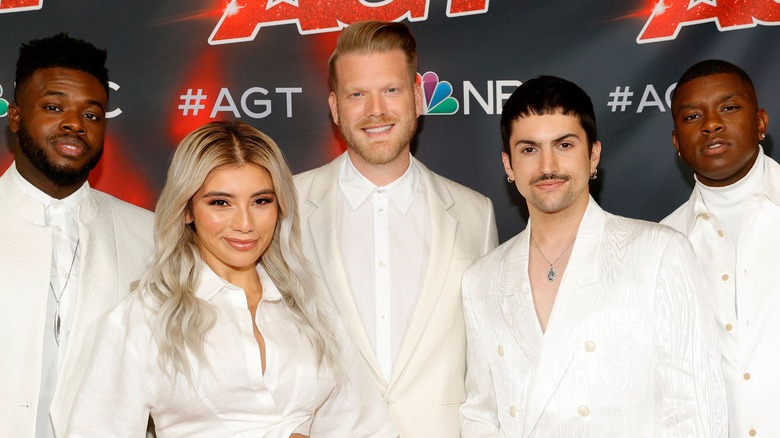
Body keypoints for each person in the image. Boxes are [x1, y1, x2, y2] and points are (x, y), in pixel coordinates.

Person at [67, 121, 396, 437]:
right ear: (187, 209)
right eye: (220, 202)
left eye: (261, 201)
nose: (244, 223)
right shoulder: (144, 318)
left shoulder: (312, 307)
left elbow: (364, 427)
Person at [460, 76, 727, 436]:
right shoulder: (482, 278)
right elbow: (481, 414)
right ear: (508, 165)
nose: (547, 165)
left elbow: (696, 410)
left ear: (593, 155)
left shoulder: (658, 251)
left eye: (564, 145)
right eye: (529, 149)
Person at [294, 20, 498, 437]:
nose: (376, 110)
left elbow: (490, 360)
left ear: (418, 97)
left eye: (391, 90)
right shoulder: (286, 206)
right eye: (357, 94)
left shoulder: (476, 213)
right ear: (334, 107)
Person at [0, 34, 154, 437]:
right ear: (15, 117)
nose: (74, 124)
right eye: (54, 107)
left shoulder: (150, 234)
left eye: (92, 115)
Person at [662, 59, 775, 438]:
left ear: (760, 122)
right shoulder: (663, 243)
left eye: (728, 108)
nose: (711, 124)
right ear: (677, 142)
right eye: (692, 116)